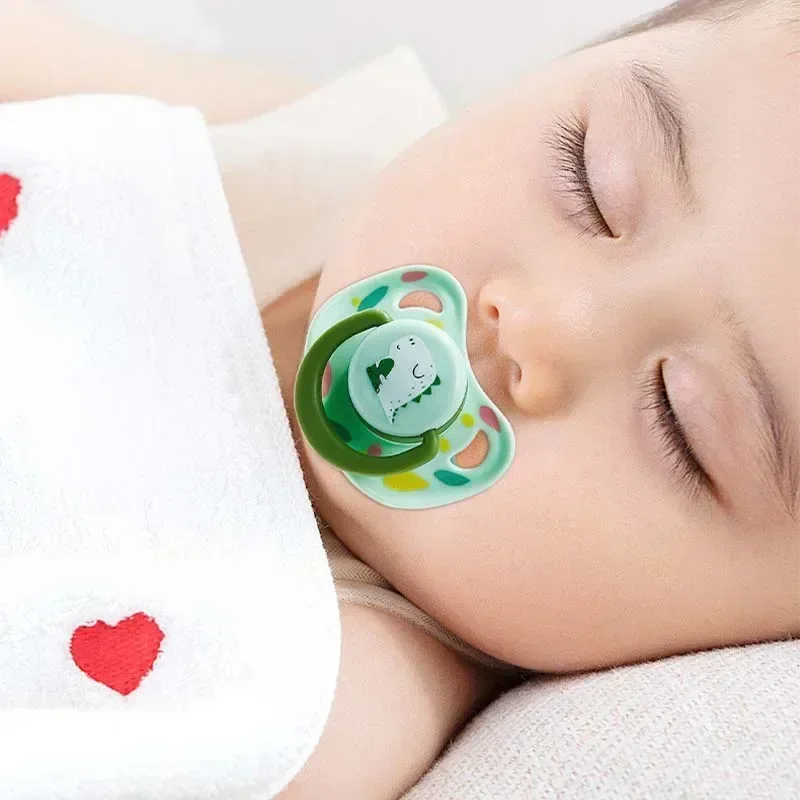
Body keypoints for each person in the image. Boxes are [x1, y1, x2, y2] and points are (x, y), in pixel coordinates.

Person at [4, 1, 797, 797]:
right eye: (589, 181)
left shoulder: (326, 696)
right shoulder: (298, 149)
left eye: (679, 417)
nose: (541, 325)